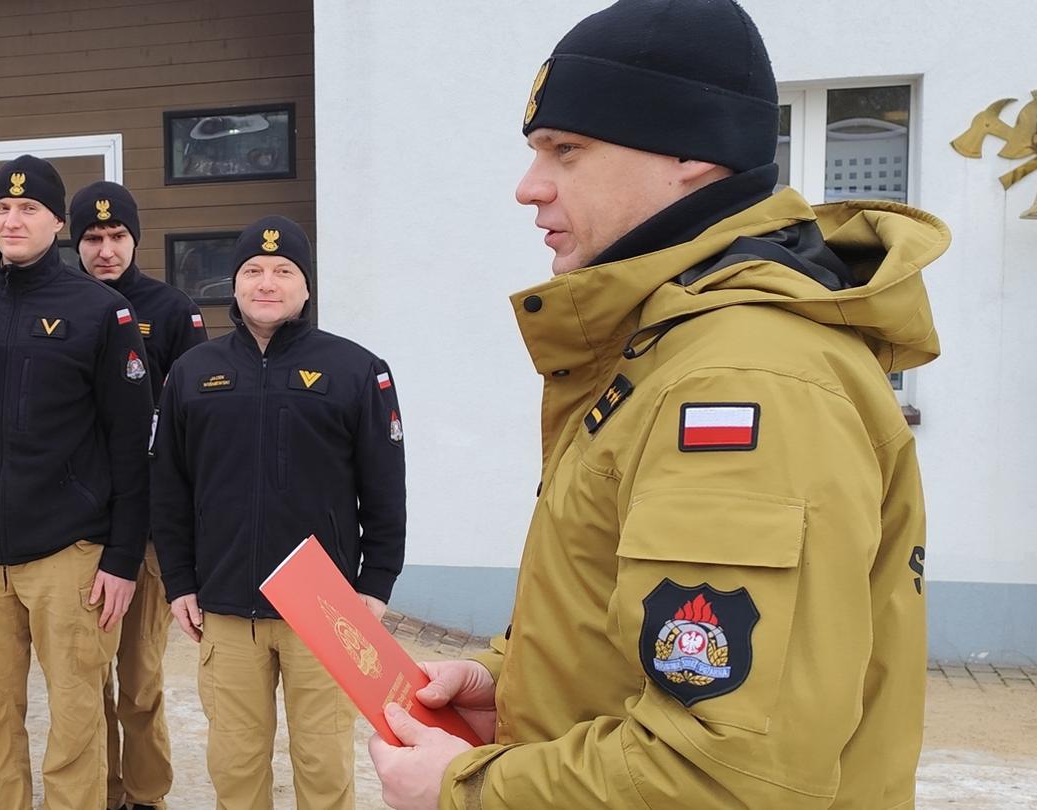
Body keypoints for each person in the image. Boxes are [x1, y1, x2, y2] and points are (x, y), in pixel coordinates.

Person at [367, 2, 944, 808]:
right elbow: (650, 644)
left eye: (565, 151)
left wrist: (468, 791)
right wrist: (512, 684)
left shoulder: (740, 382)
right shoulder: (672, 345)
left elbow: (723, 775)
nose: (528, 188)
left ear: (691, 155)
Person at [153, 215, 405, 810]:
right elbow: (168, 489)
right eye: (252, 271)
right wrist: (179, 582)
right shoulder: (192, 373)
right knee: (236, 769)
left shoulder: (356, 370)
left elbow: (385, 486)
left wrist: (375, 584)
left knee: (324, 765)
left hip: (325, 611)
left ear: (307, 285)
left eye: (283, 270)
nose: (267, 282)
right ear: (234, 285)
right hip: (225, 604)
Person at [0, 155, 154, 810]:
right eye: (2, 207)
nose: (12, 218)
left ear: (58, 221)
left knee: (76, 723)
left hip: (71, 556)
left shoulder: (101, 313)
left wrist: (121, 556)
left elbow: (132, 445)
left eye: (28, 208)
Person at [67, 180, 208, 810]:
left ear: (134, 237)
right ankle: (101, 791)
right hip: (79, 522)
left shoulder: (172, 311)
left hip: (146, 523)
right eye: (92, 238)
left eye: (116, 235)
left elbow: (195, 421)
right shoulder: (63, 305)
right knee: (84, 679)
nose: (105, 250)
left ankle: (147, 795)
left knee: (141, 678)